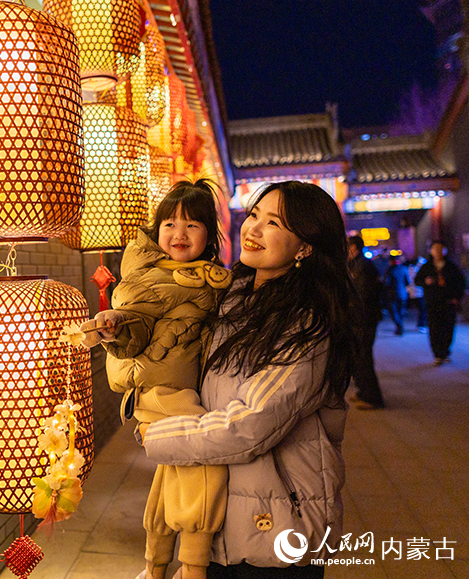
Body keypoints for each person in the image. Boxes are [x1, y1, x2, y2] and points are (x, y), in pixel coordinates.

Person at [137, 181, 358, 578]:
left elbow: (250, 425)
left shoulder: (305, 323)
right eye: (254, 215)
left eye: (272, 223)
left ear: (305, 247)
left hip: (278, 528)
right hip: (224, 515)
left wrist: (157, 436)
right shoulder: (233, 294)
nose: (252, 229)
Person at [80, 180, 231, 579]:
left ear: (209, 234)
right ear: (156, 230)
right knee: (205, 466)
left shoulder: (202, 275)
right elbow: (137, 320)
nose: (179, 234)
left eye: (192, 225)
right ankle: (194, 567)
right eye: (170, 224)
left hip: (171, 388)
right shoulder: (152, 275)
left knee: (172, 478)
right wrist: (114, 325)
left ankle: (154, 565)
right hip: (161, 393)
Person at [347, 236, 386, 409]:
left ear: (353, 247)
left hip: (363, 319)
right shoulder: (356, 264)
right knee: (357, 357)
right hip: (358, 318)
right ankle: (363, 391)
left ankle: (372, 397)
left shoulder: (363, 266)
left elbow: (362, 296)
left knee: (363, 357)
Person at [414, 241, 466, 365]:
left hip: (448, 303)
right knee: (434, 329)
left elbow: (461, 283)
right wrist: (426, 282)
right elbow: (417, 280)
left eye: (440, 249)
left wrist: (456, 297)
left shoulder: (451, 267)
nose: (437, 252)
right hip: (432, 303)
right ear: (431, 251)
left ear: (445, 251)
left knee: (448, 328)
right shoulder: (426, 267)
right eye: (435, 249)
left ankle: (445, 351)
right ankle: (438, 354)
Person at [384, 255, 410, 335]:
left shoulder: (390, 270)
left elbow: (386, 282)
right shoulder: (404, 269)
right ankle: (400, 326)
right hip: (402, 294)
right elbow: (408, 282)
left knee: (393, 311)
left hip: (392, 294)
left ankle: (399, 326)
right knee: (401, 311)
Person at [406, 257, 427, 331]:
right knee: (422, 309)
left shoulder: (411, 269)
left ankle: (421, 324)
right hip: (418, 292)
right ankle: (421, 325)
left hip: (415, 292)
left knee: (421, 309)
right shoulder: (416, 270)